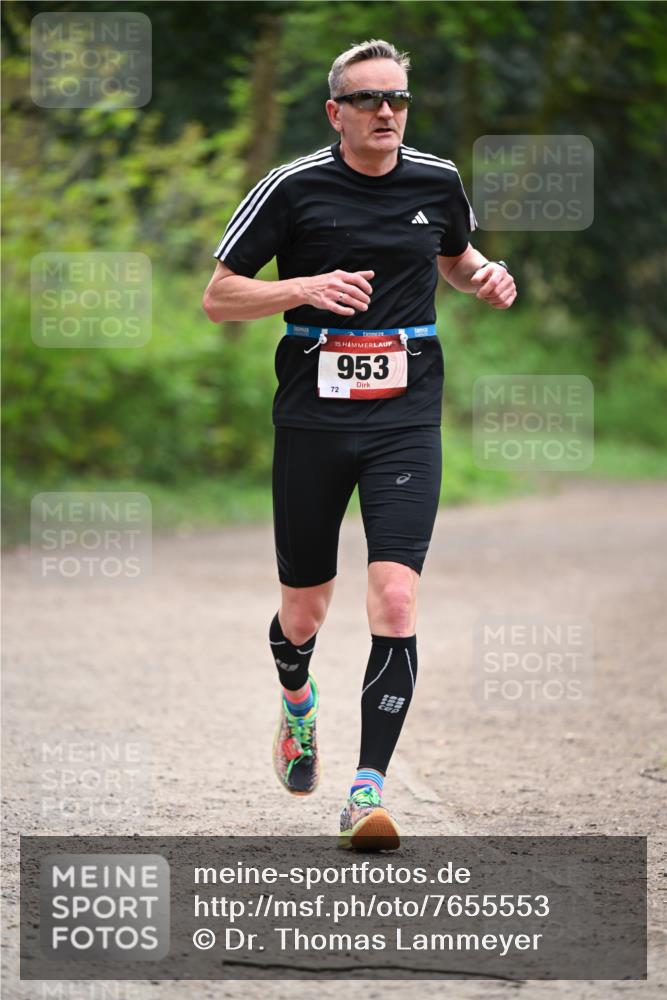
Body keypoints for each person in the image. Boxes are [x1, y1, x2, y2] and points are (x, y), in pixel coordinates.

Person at [203, 38, 516, 851]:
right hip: (312, 418)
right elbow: (219, 297)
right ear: (335, 111)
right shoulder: (292, 186)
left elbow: (452, 256)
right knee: (304, 613)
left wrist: (483, 275)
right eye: (370, 100)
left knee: (397, 599)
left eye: (399, 100)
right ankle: (297, 699)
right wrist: (302, 286)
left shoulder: (436, 180)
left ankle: (366, 792)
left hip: (405, 417)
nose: (387, 113)